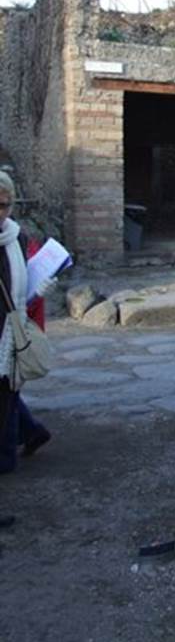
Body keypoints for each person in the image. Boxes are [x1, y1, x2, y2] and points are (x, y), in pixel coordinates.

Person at [0, 171, 57, 480]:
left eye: (4, 205)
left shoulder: (18, 239)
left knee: (6, 406)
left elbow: (20, 294)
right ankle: (31, 432)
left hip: (9, 339)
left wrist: (38, 291)